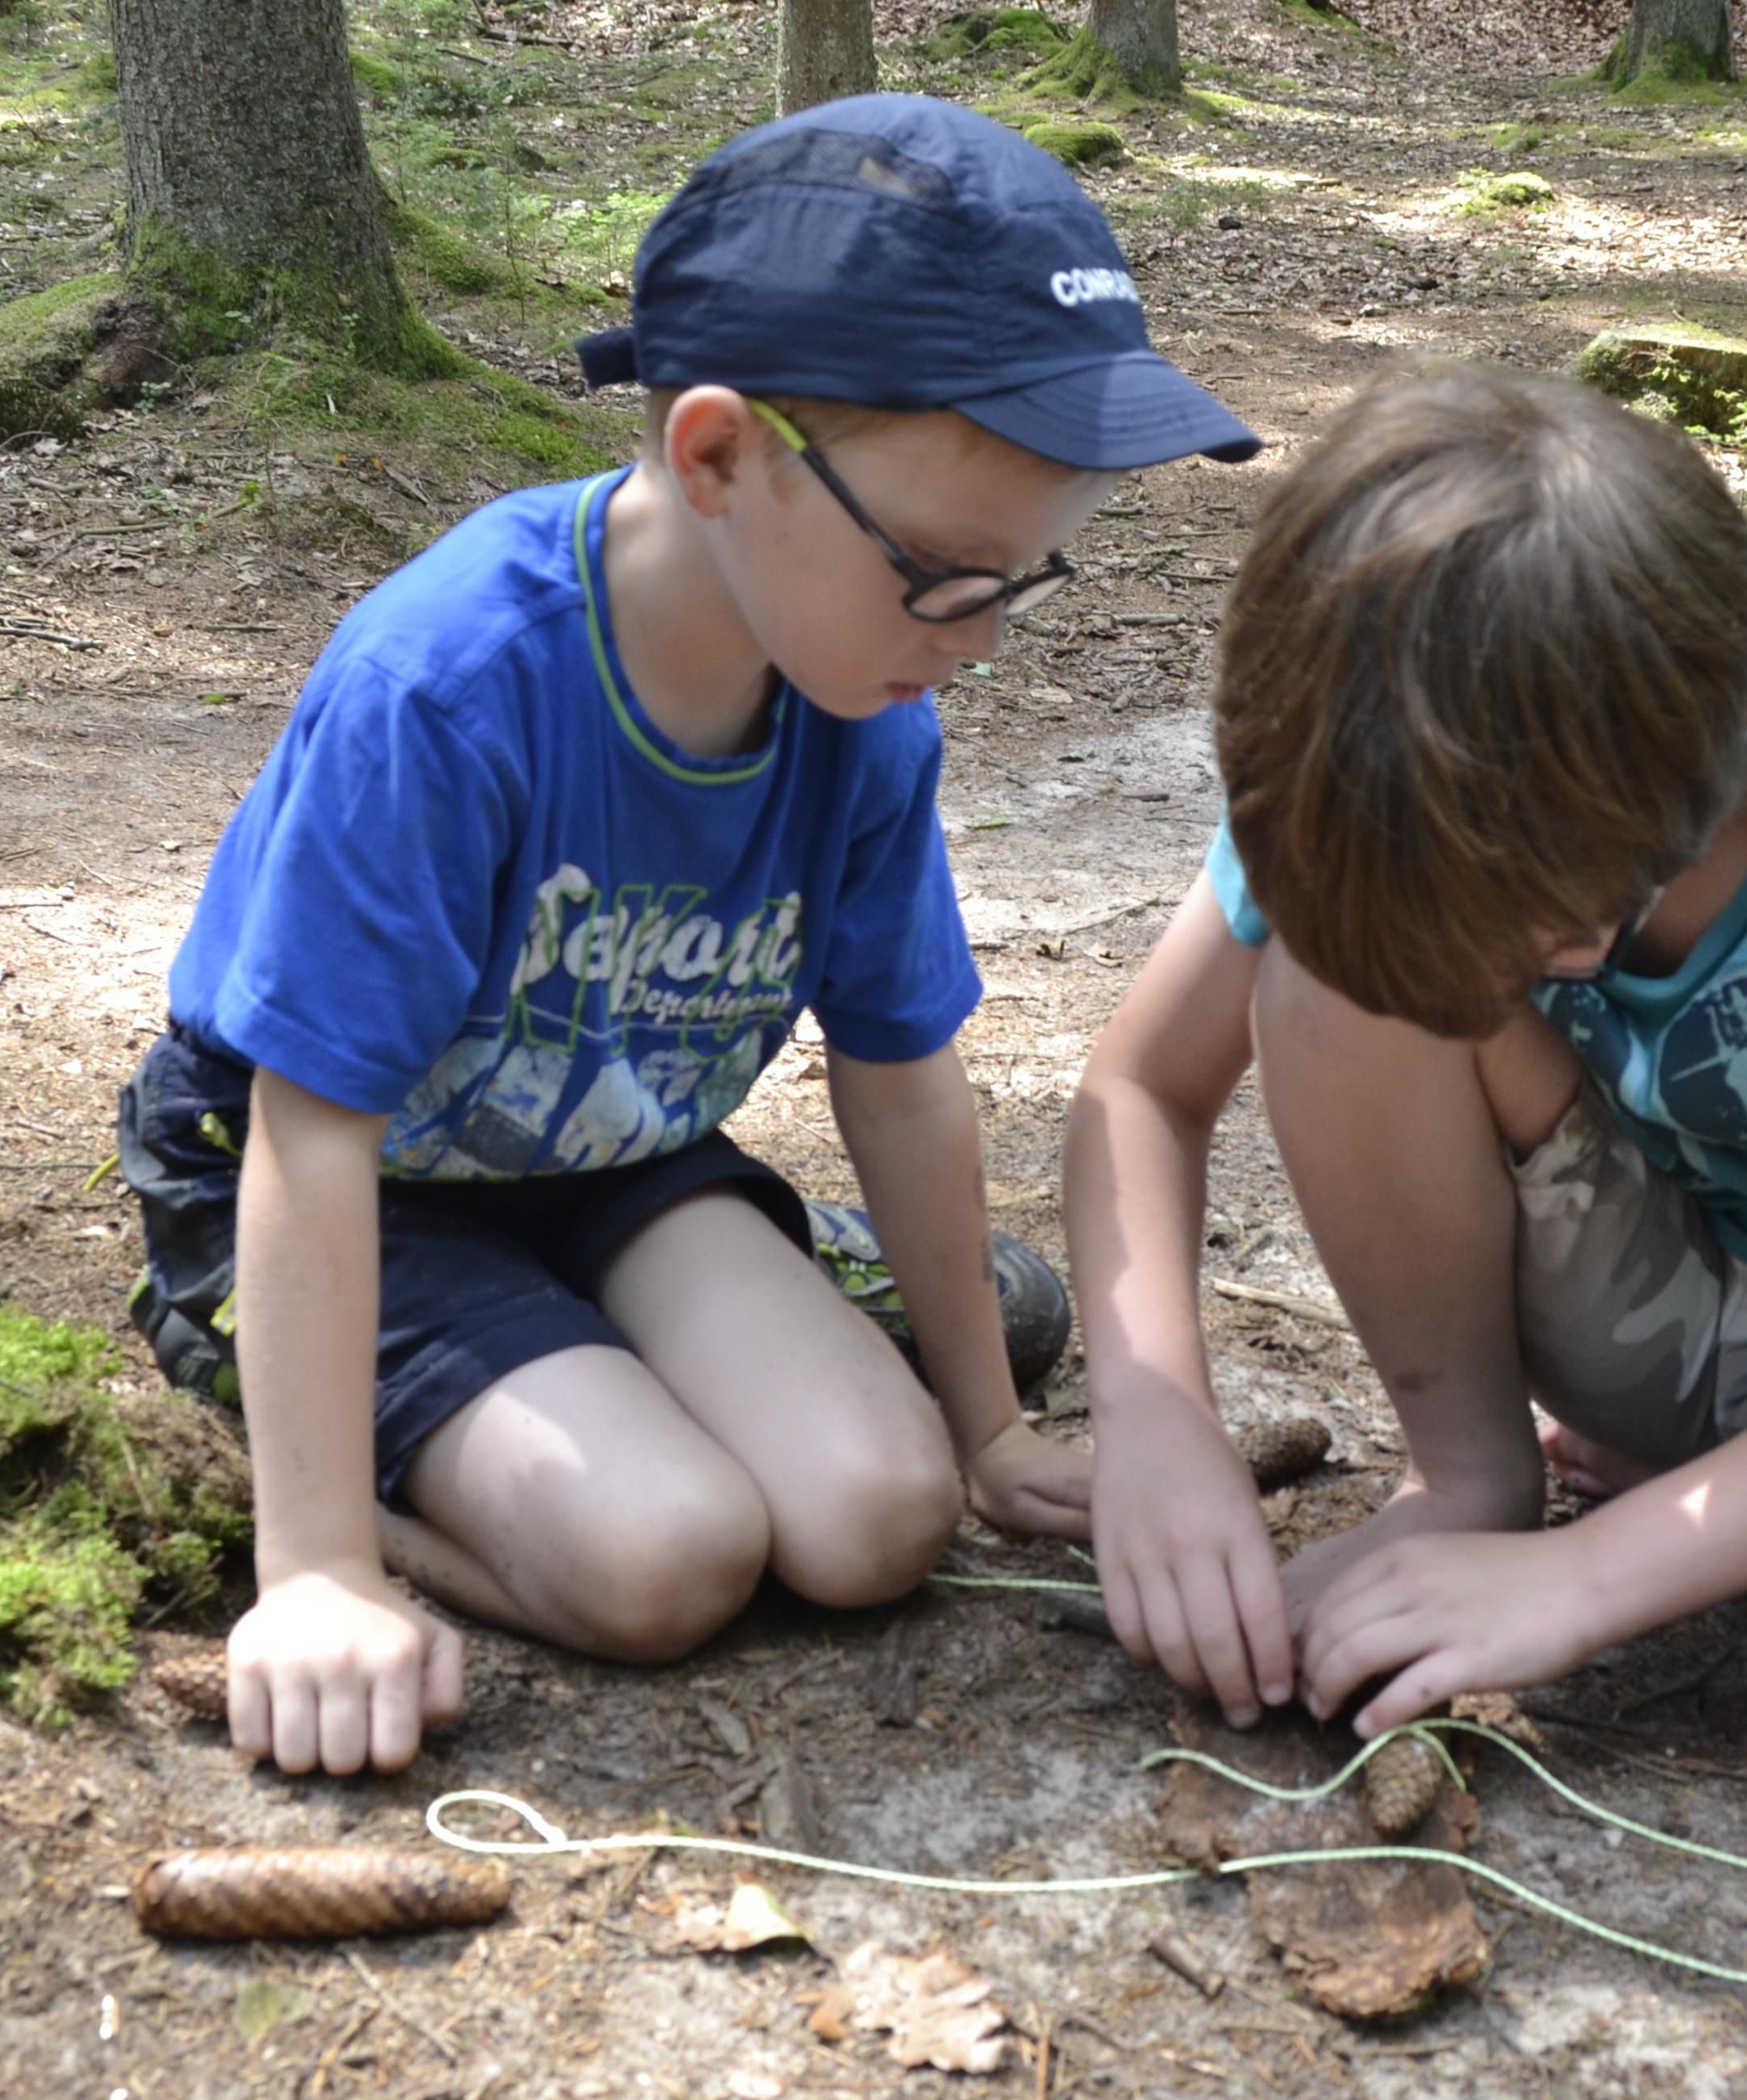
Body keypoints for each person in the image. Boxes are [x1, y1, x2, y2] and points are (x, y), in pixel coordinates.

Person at [117, 94, 1258, 1777]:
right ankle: (304, 1456)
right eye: (950, 573)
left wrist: (994, 1431)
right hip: (334, 1186)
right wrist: (318, 1574)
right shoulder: (453, 683)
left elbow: (898, 1068)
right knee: (666, 1558)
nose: (988, 641)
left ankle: (676, 1365)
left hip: (614, 1164)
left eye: (1030, 580)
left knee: (884, 1519)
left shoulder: (866, 699)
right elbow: (313, 1120)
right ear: (718, 455)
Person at [1064, 365, 1747, 1876]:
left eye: (1561, 925)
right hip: (1635, 1301)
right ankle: (1472, 1484)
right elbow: (1142, 1086)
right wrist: (1152, 1420)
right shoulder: (1381, 748)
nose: (1537, 966)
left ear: (1725, 733)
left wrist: (1595, 1586)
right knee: (1339, 979)